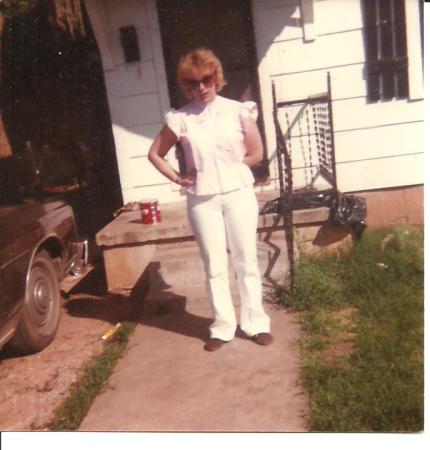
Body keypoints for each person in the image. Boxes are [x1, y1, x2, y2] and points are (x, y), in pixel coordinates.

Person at [148, 48, 272, 352]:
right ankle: (222, 326)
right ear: (186, 86)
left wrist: (233, 167)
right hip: (202, 200)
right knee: (214, 264)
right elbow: (154, 154)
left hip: (238, 194)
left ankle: (255, 323)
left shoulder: (238, 111)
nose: (201, 88)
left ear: (216, 77)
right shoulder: (180, 118)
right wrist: (179, 177)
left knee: (246, 260)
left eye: (206, 80)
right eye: (193, 83)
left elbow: (256, 153)